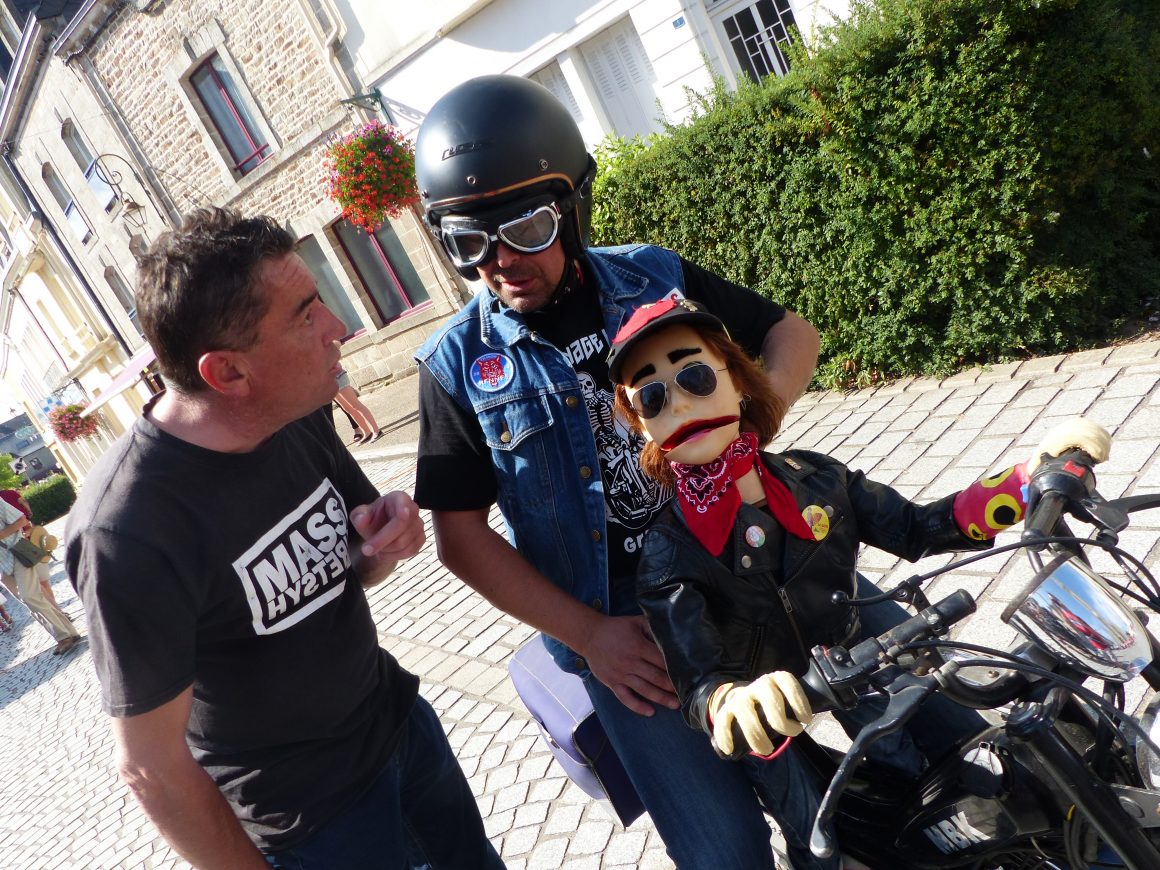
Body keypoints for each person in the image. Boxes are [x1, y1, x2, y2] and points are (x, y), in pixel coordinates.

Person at [412, 75, 820, 868]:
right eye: (469, 242)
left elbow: (788, 333)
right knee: (722, 849)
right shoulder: (457, 364)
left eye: (526, 228)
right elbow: (459, 538)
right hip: (621, 634)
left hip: (746, 560)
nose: (501, 262)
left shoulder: (653, 277)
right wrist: (587, 635)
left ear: (572, 208)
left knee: (858, 774)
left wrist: (750, 426)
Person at [65, 208, 501, 870]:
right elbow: (151, 766)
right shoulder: (127, 531)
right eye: (305, 316)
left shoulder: (295, 411)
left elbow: (350, 563)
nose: (337, 327)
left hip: (400, 727)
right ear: (228, 374)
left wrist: (383, 542)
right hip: (311, 819)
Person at [605, 298, 1111, 869]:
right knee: (814, 830)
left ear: (736, 379)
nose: (677, 402)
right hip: (766, 700)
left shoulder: (816, 478)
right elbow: (698, 676)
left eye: (695, 377)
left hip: (851, 654)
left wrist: (1026, 481)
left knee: (925, 781)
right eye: (652, 396)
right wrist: (729, 702)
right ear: (640, 422)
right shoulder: (668, 548)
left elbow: (917, 526)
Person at [0, 497, 81, 654]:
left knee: (29, 597)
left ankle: (63, 636)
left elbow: (22, 520)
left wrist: (1, 534)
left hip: (17, 554)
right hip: (2, 568)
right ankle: (69, 632)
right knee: (33, 600)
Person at [334, 369, 382, 444]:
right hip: (328, 383)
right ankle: (367, 432)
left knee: (355, 405)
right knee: (348, 409)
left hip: (337, 377)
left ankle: (376, 431)